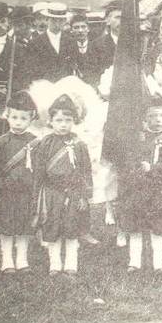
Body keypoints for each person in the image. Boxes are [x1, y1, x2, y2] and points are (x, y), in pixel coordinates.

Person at [116, 95, 162, 273]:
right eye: (152, 116)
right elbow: (127, 164)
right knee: (135, 227)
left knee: (158, 227)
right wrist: (135, 173)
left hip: (158, 192)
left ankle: (159, 263)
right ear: (145, 118)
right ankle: (134, 262)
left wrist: (152, 168)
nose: (157, 120)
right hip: (137, 191)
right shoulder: (137, 140)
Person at [33, 94, 93, 275]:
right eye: (58, 120)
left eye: (68, 120)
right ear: (50, 121)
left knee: (71, 227)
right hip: (51, 193)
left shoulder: (79, 145)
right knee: (53, 228)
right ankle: (55, 265)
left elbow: (85, 171)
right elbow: (39, 172)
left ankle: (71, 265)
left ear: (74, 121)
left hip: (73, 193)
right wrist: (37, 197)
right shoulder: (45, 143)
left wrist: (84, 195)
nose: (63, 124)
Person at [0, 90, 40, 274]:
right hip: (7, 192)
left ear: (31, 119)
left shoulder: (35, 142)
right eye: (14, 117)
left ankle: (22, 259)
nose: (18, 122)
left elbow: (38, 170)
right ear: (7, 116)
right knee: (6, 227)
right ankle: (7, 259)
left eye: (23, 118)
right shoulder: (1, 142)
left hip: (26, 192)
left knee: (25, 227)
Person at [26, 2, 76, 83]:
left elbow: (72, 66)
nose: (57, 23)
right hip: (44, 86)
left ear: (64, 21)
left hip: (66, 86)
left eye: (60, 20)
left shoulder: (71, 41)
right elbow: (33, 70)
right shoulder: (35, 43)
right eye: (53, 20)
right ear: (47, 20)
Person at [66, 12, 103, 87]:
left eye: (83, 27)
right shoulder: (67, 49)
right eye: (76, 27)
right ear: (71, 30)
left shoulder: (98, 48)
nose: (80, 30)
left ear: (88, 29)